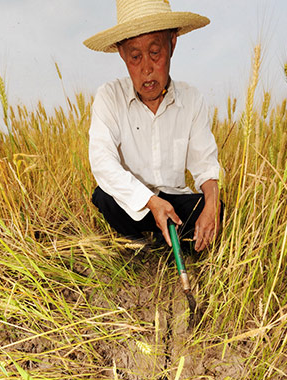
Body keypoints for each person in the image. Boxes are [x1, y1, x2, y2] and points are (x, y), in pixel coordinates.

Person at [84, 0, 221, 252]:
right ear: (122, 55)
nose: (146, 68)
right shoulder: (109, 97)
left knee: (209, 206)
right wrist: (150, 201)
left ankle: (166, 242)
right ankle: (137, 238)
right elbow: (102, 161)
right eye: (135, 56)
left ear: (172, 44)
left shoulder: (191, 99)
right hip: (133, 204)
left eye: (155, 52)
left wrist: (213, 206)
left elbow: (205, 167)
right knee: (103, 196)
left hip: (174, 203)